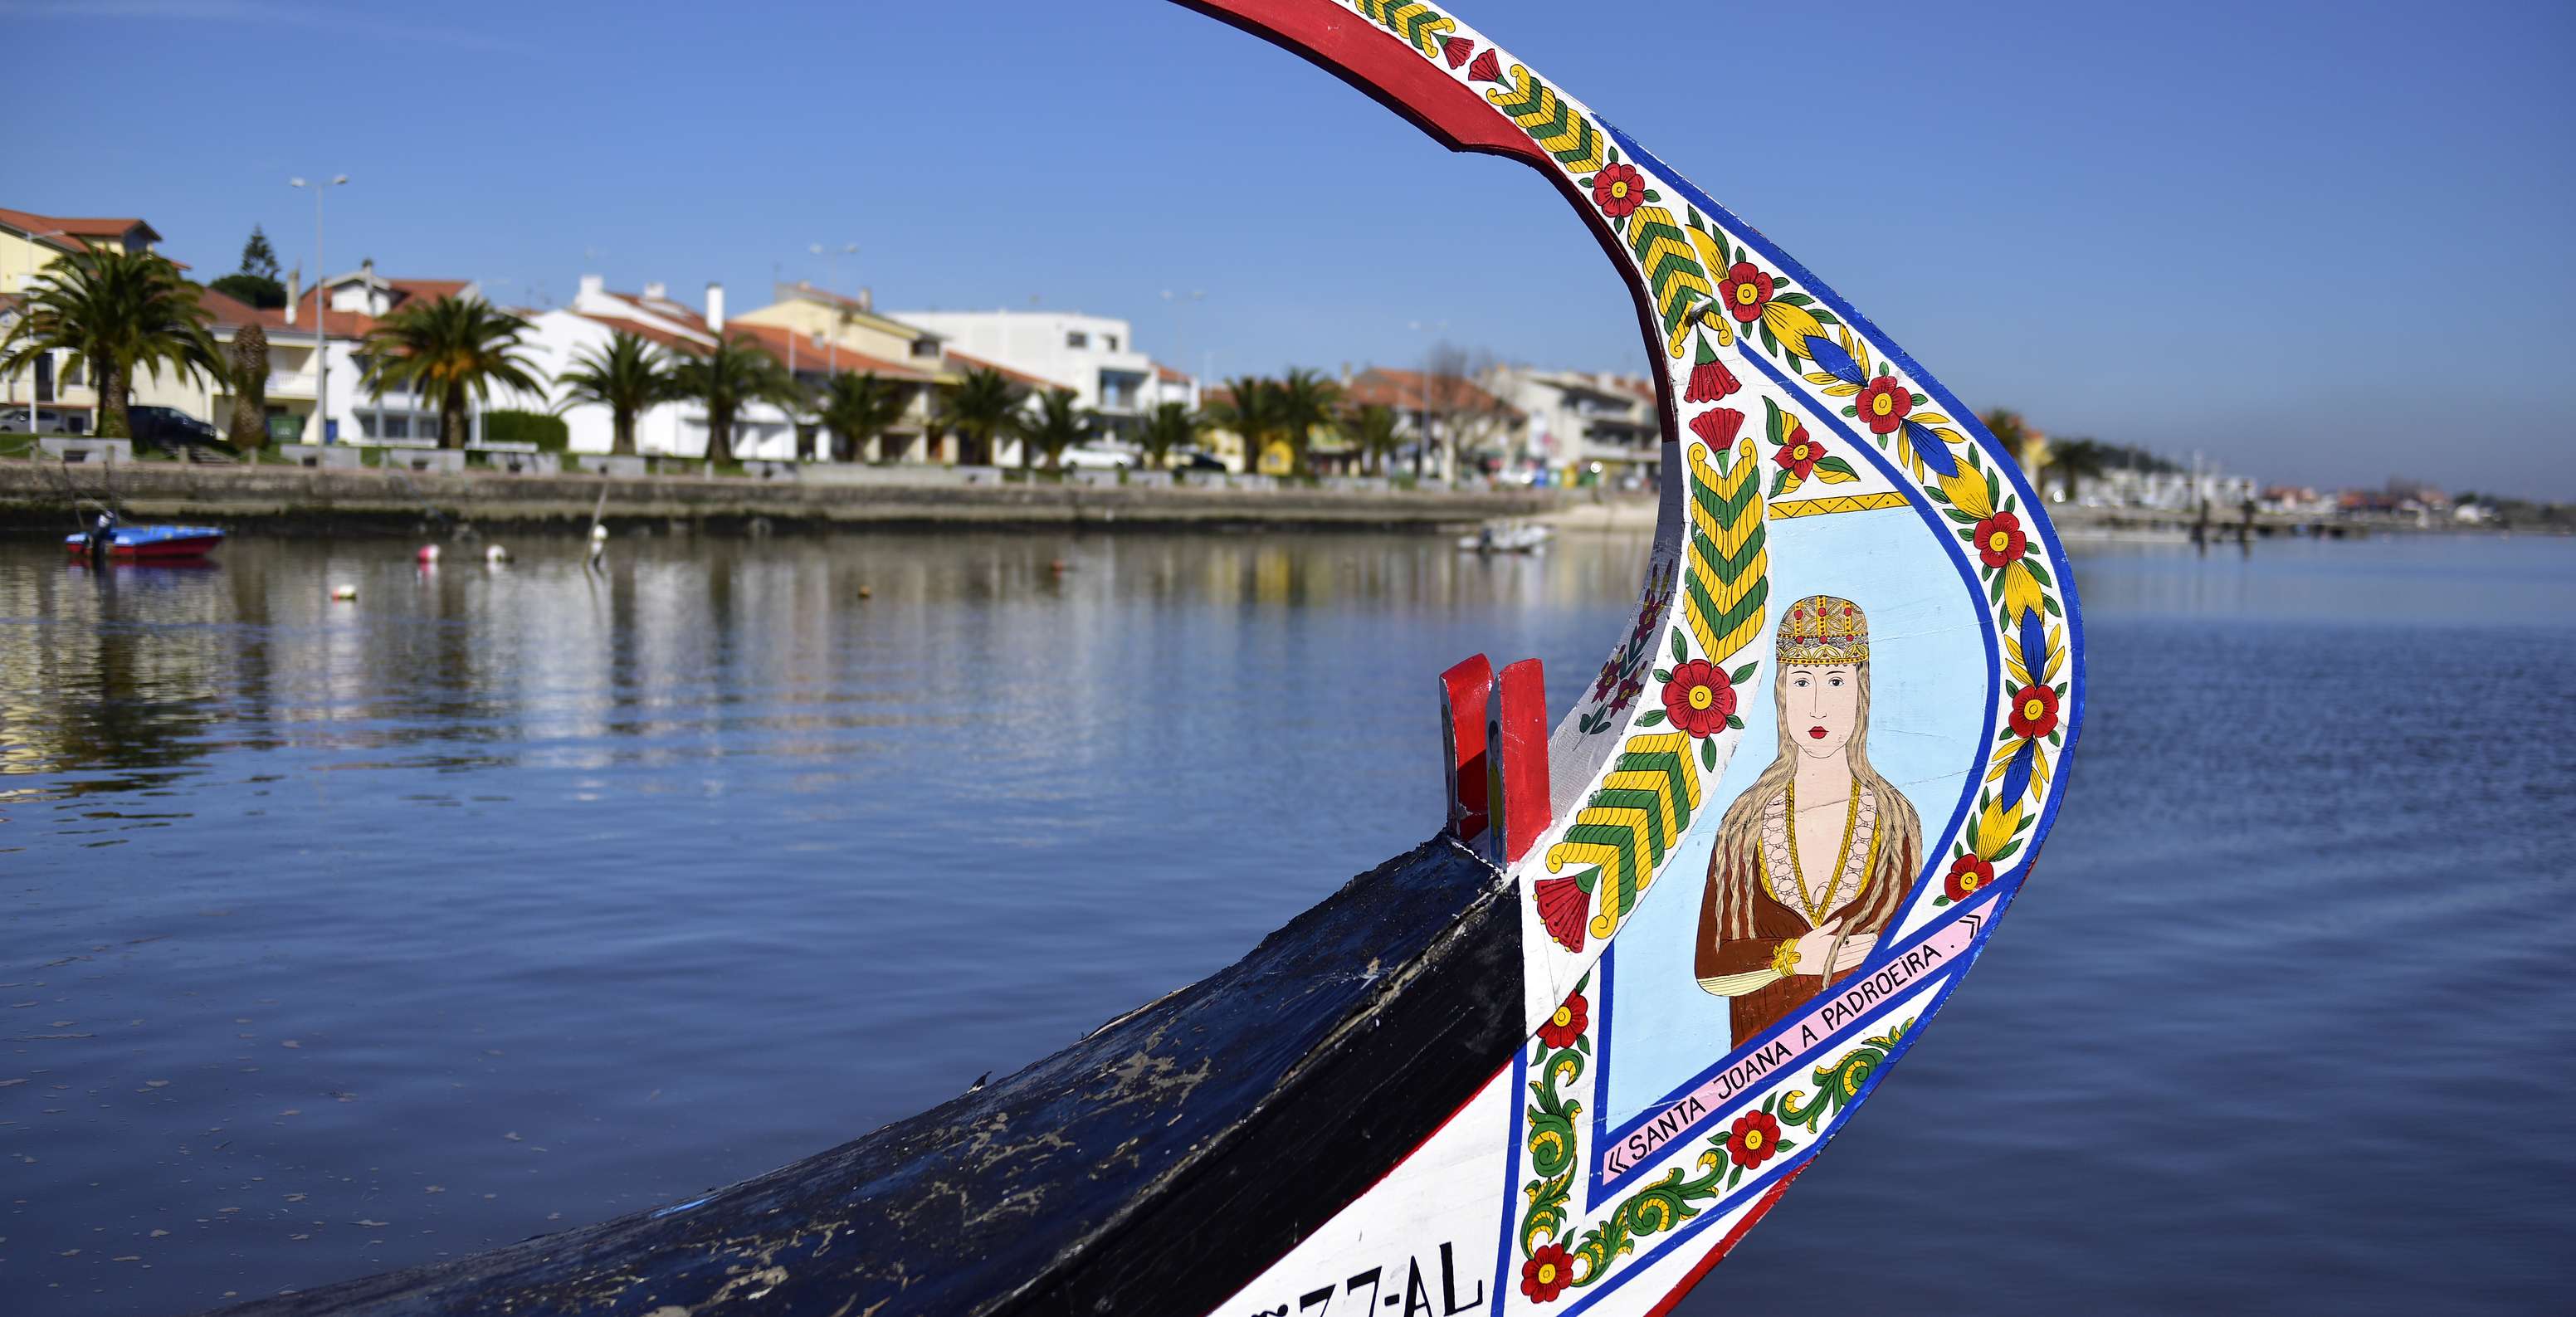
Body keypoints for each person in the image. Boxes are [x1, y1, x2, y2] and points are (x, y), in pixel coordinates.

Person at [1694, 595, 1923, 1049]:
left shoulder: (1895, 820)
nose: (1818, 707)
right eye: (1802, 682)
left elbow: (1915, 953)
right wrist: (1793, 957)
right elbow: (1711, 969)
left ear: (1861, 693)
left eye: (1836, 681)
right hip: (1758, 1064)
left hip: (1860, 1047)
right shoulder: (1745, 822)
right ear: (1781, 694)